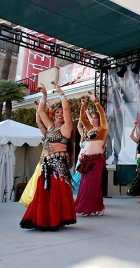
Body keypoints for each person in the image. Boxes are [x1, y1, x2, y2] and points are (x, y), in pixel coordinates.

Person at [20, 82, 76, 231]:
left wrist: (61, 93)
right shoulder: (51, 128)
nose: (59, 114)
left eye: (61, 113)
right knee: (44, 191)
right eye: (57, 113)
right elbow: (42, 114)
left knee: (57, 191)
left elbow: (66, 108)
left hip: (59, 163)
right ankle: (43, 219)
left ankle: (57, 219)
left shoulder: (66, 128)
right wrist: (44, 96)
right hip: (47, 162)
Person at [75, 92, 108, 216]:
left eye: (95, 117)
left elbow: (103, 115)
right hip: (86, 160)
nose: (93, 119)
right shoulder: (89, 129)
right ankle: (91, 207)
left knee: (93, 184)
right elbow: (83, 119)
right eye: (92, 117)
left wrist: (96, 102)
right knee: (85, 184)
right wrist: (83, 105)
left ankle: (95, 207)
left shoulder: (102, 129)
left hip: (97, 160)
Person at [19, 100, 48, 207]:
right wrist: (37, 110)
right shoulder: (46, 132)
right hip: (43, 161)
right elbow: (39, 122)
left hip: (54, 162)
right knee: (37, 183)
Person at [71, 118, 86, 195]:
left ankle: (83, 195)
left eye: (85, 127)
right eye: (83, 128)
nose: (84, 129)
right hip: (79, 160)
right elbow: (78, 127)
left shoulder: (92, 136)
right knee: (77, 179)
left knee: (81, 179)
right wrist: (81, 117)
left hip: (86, 160)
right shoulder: (83, 136)